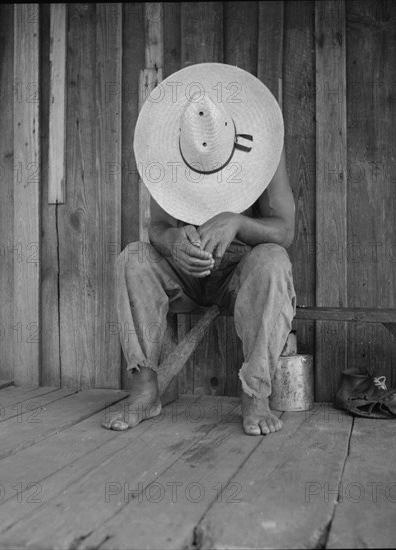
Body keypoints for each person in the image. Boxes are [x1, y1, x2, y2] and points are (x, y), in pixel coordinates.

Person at [102, 63, 296, 436]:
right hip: (185, 273)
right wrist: (173, 242)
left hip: (241, 276)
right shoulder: (169, 151)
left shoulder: (265, 149)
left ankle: (256, 394)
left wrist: (237, 222)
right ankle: (144, 391)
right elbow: (156, 228)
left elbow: (284, 231)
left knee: (274, 260)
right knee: (133, 257)